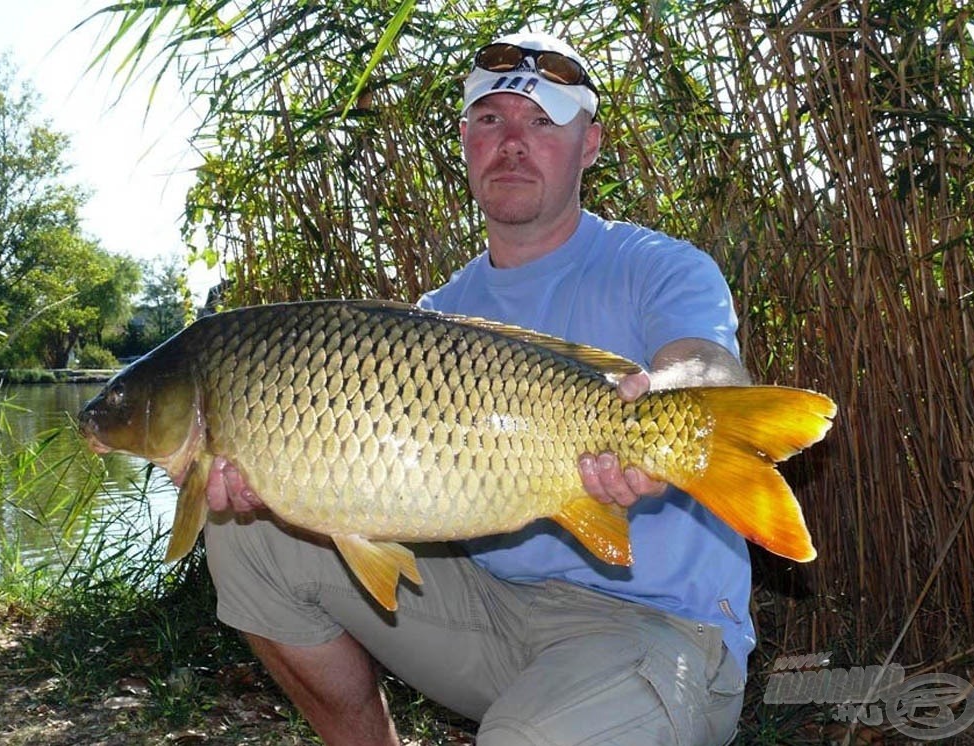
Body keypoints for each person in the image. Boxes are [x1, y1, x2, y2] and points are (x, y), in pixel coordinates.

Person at [203, 30, 753, 746]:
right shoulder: (434, 321)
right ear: (466, 141)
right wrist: (281, 482)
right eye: (491, 120)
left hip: (657, 629)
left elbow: (709, 365)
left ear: (588, 146)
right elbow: (376, 492)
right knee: (247, 537)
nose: (513, 143)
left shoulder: (661, 267)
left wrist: (664, 398)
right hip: (493, 617)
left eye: (542, 122)